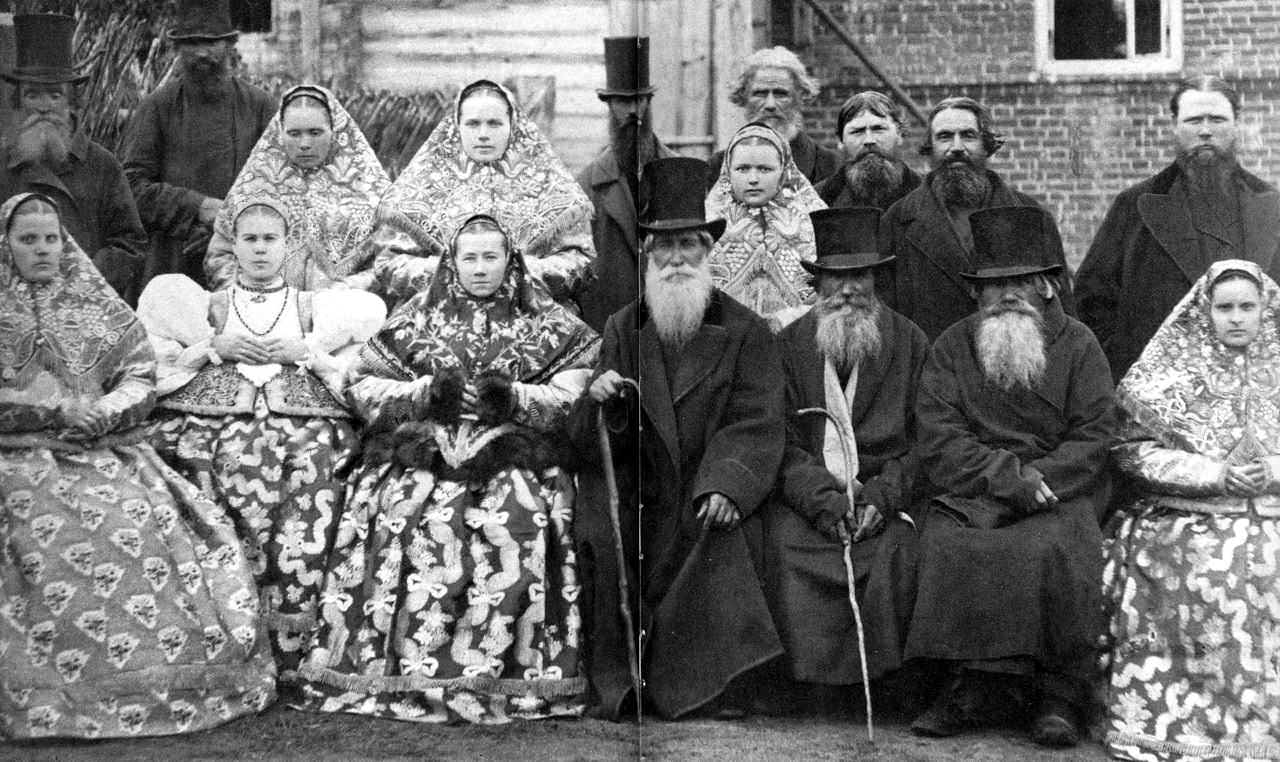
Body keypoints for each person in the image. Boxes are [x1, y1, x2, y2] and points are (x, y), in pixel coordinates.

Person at [297, 214, 599, 724]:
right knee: (405, 514)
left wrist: (516, 398)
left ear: (512, 261)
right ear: (451, 263)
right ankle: (404, 667)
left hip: (513, 457)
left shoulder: (550, 323)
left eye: (491, 257)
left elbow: (577, 393)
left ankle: (500, 670)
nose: (480, 268)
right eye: (469, 258)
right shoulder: (416, 318)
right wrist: (422, 395)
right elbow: (360, 385)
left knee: (515, 519)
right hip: (426, 454)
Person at [0, 192, 275, 739]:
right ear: (6, 245)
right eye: (27, 239)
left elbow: (139, 373)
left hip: (104, 448)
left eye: (51, 238)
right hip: (18, 452)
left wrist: (104, 410)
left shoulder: (96, 303)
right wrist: (47, 409)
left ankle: (173, 674)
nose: (42, 250)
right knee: (40, 537)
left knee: (144, 526)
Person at [570, 156, 785, 720]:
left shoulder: (744, 330)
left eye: (688, 245)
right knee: (605, 524)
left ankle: (711, 684)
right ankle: (624, 681)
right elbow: (597, 427)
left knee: (721, 526)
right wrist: (604, 399)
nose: (675, 260)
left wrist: (727, 484)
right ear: (646, 256)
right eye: (662, 248)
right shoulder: (623, 326)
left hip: (701, 484)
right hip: (642, 481)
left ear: (708, 252)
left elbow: (756, 420)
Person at [137, 201, 386, 683]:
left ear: (287, 244)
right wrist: (211, 347)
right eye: (249, 240)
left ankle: (296, 642)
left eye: (269, 240)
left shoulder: (314, 305)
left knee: (316, 459)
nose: (259, 249)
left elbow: (358, 364)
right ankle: (219, 634)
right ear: (233, 244)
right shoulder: (204, 305)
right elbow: (157, 362)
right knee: (195, 455)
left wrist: (307, 351)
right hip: (216, 415)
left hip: (300, 417)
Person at [905, 206, 1116, 747]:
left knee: (1056, 545)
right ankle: (971, 686)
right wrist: (1004, 476)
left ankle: (1058, 696)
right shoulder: (953, 345)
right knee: (951, 540)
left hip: (1058, 489)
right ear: (976, 294)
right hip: (976, 487)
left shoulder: (1080, 344)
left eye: (1021, 281)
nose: (1008, 295)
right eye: (994, 285)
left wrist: (1038, 478)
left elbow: (1094, 433)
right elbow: (939, 433)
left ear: (1048, 286)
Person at [1104, 259, 1280, 760]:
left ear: (1265, 308)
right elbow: (1133, 450)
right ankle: (1177, 720)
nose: (1237, 318)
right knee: (1178, 558)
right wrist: (1212, 474)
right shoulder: (1169, 371)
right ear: (1205, 311)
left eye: (1248, 306)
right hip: (1187, 513)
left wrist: (1271, 468)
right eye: (1225, 308)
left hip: (1271, 512)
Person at [765, 207, 927, 710]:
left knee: (899, 550)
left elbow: (928, 441)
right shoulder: (789, 345)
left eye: (860, 276)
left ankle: (882, 685)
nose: (849, 289)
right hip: (811, 499)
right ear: (818, 282)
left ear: (876, 279)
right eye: (837, 276)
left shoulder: (910, 342)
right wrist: (821, 500)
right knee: (783, 544)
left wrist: (882, 495)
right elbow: (779, 437)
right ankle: (806, 685)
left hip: (886, 493)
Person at [1076, 75, 1280, 383]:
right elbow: (1091, 300)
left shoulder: (1273, 207)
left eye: (1218, 119)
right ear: (1175, 126)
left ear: (1237, 125)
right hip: (1159, 388)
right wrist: (1128, 369)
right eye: (1194, 120)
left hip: (1256, 386)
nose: (1206, 131)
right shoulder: (1134, 206)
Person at [368, 79, 595, 311]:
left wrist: (516, 274)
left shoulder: (551, 185)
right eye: (473, 124)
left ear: (513, 125)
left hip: (530, 310)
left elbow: (580, 263)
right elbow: (389, 263)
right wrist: (453, 273)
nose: (483, 134)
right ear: (457, 127)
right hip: (438, 312)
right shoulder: (419, 187)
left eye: (494, 123)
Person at [881, 96, 1073, 341]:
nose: (957, 147)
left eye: (968, 136)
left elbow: (1062, 313)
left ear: (986, 145)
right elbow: (887, 318)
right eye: (945, 137)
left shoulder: (1031, 215)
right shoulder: (898, 220)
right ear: (930, 148)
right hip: (932, 370)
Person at [124, 0, 275, 291]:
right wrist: (197, 207)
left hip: (245, 259)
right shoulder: (157, 108)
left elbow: (282, 185)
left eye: (211, 42)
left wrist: (230, 224)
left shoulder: (260, 107)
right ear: (177, 49)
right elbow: (132, 186)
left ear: (230, 44)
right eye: (192, 43)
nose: (202, 52)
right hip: (172, 262)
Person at [0, 13, 148, 303]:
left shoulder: (102, 165)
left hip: (87, 304)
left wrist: (81, 276)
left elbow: (131, 244)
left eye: (54, 95)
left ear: (71, 104)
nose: (44, 107)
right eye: (33, 95)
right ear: (18, 103)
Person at [204, 84, 392, 291]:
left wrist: (350, 288)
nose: (304, 143)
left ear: (335, 131)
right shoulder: (252, 188)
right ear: (279, 133)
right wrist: (243, 293)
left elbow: (390, 260)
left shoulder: (370, 191)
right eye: (294, 133)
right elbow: (220, 255)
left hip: (340, 311)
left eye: (315, 132)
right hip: (264, 310)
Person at [576, 36, 677, 331]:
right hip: (610, 328)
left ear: (647, 102)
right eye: (622, 101)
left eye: (637, 99)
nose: (632, 111)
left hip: (668, 323)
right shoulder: (586, 187)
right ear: (610, 106)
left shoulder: (677, 173)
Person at [705, 122, 827, 328]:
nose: (753, 179)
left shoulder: (815, 219)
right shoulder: (708, 223)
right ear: (728, 171)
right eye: (743, 169)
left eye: (764, 169)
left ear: (783, 171)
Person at [709, 46, 841, 185]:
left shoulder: (830, 166)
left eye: (781, 94)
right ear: (743, 97)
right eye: (760, 94)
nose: (770, 105)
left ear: (800, 97)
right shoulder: (718, 167)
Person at [814, 91, 921, 211]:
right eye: (857, 131)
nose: (869, 140)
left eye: (879, 129)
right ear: (840, 141)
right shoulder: (818, 200)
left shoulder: (925, 195)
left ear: (899, 135)